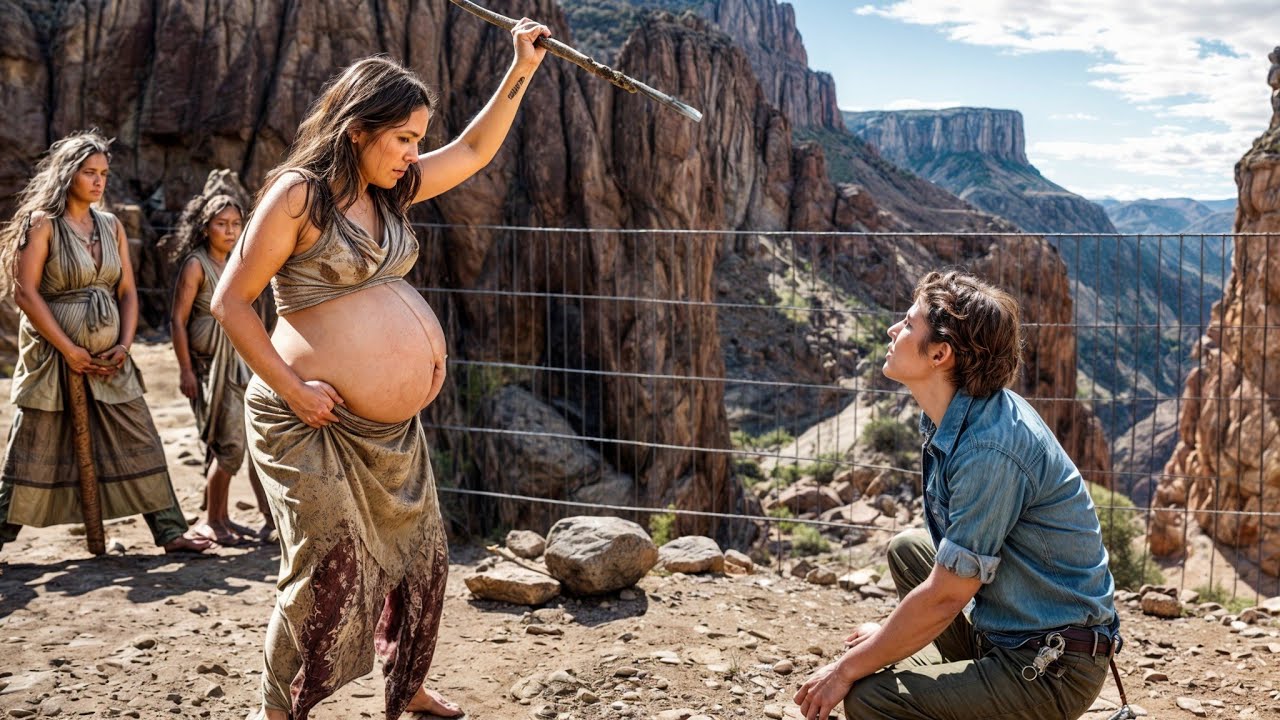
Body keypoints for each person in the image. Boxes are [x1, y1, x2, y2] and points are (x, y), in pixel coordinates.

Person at [212, 19, 550, 720]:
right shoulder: (299, 196)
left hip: (388, 432)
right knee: (326, 569)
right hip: (308, 419)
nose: (413, 153)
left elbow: (477, 149)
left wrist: (521, 67)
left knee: (422, 558)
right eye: (403, 138)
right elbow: (232, 303)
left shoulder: (392, 191)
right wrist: (293, 388)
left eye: (417, 140)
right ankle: (274, 711)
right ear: (359, 128)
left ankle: (408, 682)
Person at [794, 270, 1121, 720]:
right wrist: (887, 641)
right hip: (1008, 631)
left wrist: (849, 668)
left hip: (1049, 667)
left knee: (871, 700)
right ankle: (934, 664)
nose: (893, 331)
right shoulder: (961, 414)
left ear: (940, 354)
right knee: (910, 550)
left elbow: (948, 595)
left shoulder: (990, 448)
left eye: (908, 325)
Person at [0, 130, 210, 555]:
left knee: (140, 435)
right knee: (33, 446)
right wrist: (69, 349)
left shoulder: (110, 225)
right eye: (89, 173)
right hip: (52, 357)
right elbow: (26, 293)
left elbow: (128, 292)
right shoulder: (43, 223)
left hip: (111, 357)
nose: (99, 182)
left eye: (104, 174)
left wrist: (125, 345)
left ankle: (169, 530)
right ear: (66, 175)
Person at [168, 192, 274, 545]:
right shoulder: (196, 265)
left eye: (235, 225)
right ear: (205, 227)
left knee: (236, 440)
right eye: (221, 224)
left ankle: (223, 517)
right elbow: (178, 321)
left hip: (238, 368)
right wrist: (185, 370)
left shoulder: (237, 265)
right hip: (206, 369)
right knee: (228, 445)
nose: (229, 231)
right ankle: (212, 520)